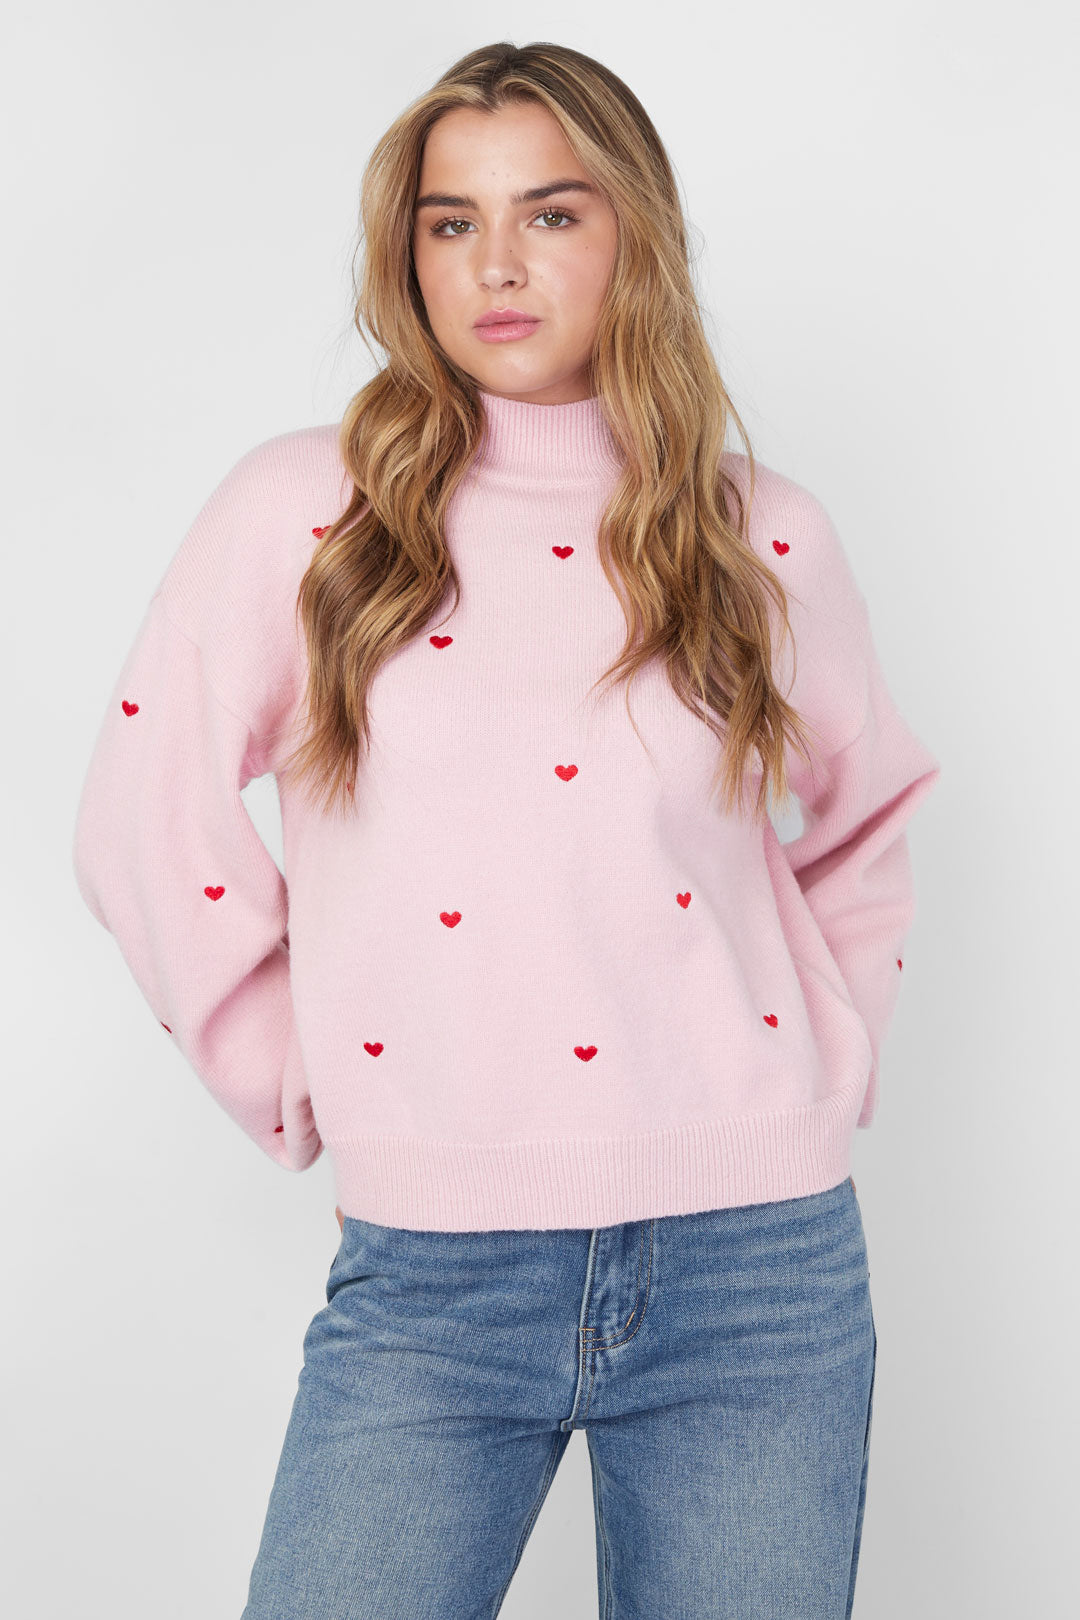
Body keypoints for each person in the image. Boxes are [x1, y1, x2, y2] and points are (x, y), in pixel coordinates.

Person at [71, 38, 941, 1620]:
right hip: (438, 1274)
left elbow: (864, 816)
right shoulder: (309, 514)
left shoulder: (758, 534)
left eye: (550, 212)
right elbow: (146, 819)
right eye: (449, 221)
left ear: (632, 234)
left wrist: (825, 1062)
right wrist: (312, 1081)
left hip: (759, 1269)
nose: (497, 264)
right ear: (407, 255)